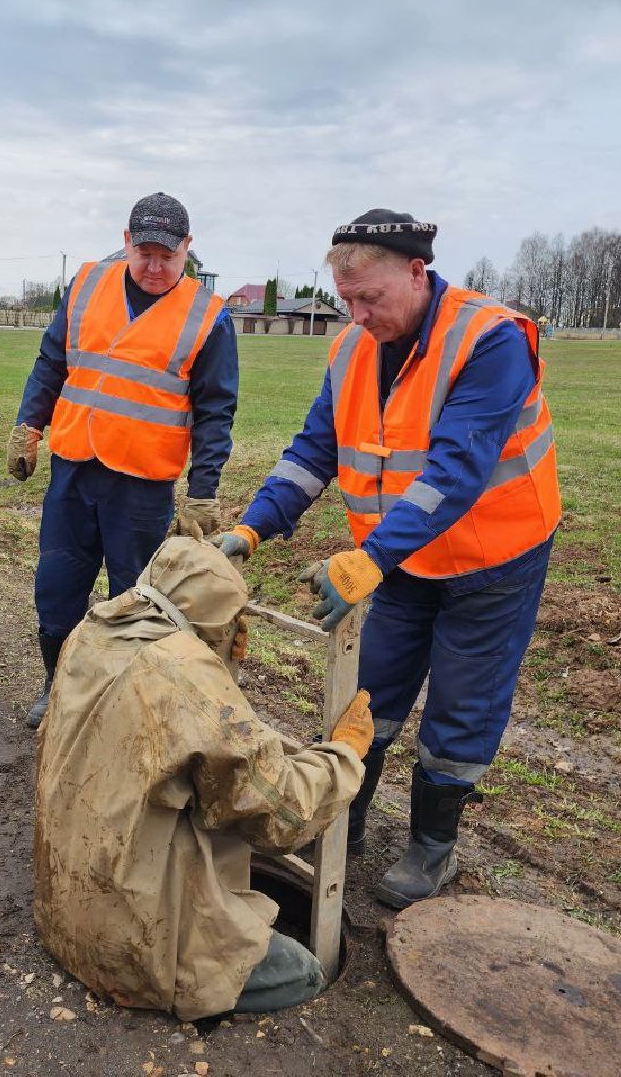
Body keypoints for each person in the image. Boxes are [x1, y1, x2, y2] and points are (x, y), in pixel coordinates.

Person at [214, 210, 560, 910]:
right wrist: (251, 530)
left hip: (493, 557)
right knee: (372, 689)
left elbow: (455, 471)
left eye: (371, 299)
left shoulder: (490, 341)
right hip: (402, 559)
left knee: (462, 705)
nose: (360, 315)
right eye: (348, 303)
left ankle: (434, 847)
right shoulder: (350, 350)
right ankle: (347, 818)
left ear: (415, 272)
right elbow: (314, 451)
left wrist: (369, 558)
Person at [33, 537, 374, 1020]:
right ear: (216, 616)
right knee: (304, 972)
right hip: (135, 943)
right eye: (231, 620)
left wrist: (221, 667)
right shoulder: (184, 673)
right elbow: (280, 815)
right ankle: (176, 982)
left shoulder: (93, 631)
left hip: (66, 908)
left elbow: (173, 741)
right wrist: (344, 753)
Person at [7, 193, 239, 729]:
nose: (155, 268)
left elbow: (215, 411)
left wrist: (203, 491)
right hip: (73, 470)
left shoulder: (209, 318)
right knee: (57, 591)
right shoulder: (87, 286)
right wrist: (28, 425)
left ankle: (119, 707)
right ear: (126, 241)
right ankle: (59, 689)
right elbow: (51, 363)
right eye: (145, 253)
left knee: (134, 602)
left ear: (188, 248)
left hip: (141, 487)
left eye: (168, 256)